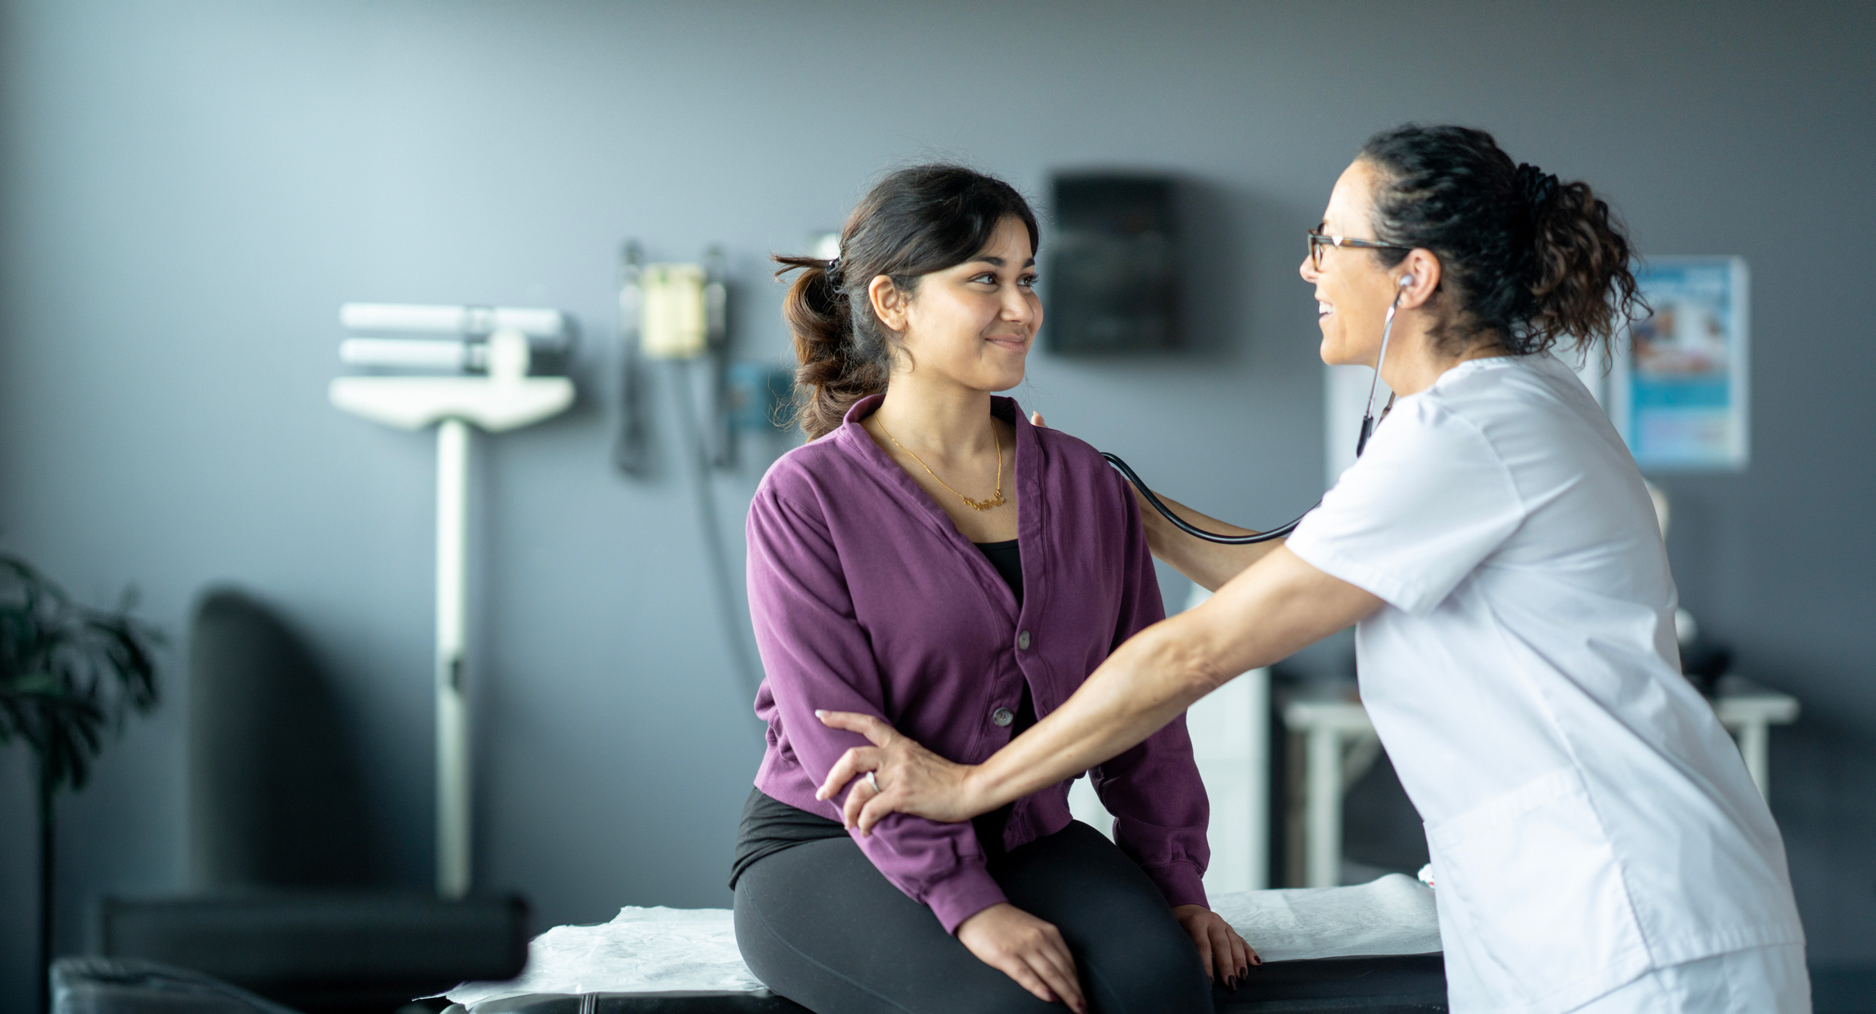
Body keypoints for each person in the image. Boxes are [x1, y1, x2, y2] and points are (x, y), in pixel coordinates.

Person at [813, 128, 1810, 1013]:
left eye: (1328, 242)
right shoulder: (1492, 408)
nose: (1310, 269)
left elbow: (1199, 650)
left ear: (1412, 278)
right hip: (1565, 902)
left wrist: (969, 786)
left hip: (1631, 911)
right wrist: (1102, 492)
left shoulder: (1479, 429)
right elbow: (1288, 567)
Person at [730, 164, 1254, 1014]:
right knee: (1010, 1009)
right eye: (985, 279)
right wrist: (969, 905)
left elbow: (1145, 712)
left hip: (1024, 832)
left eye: (1028, 279)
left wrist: (1179, 886)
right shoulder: (805, 498)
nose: (1023, 308)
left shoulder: (1087, 483)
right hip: (838, 844)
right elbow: (844, 749)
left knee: (1167, 986)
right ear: (893, 303)